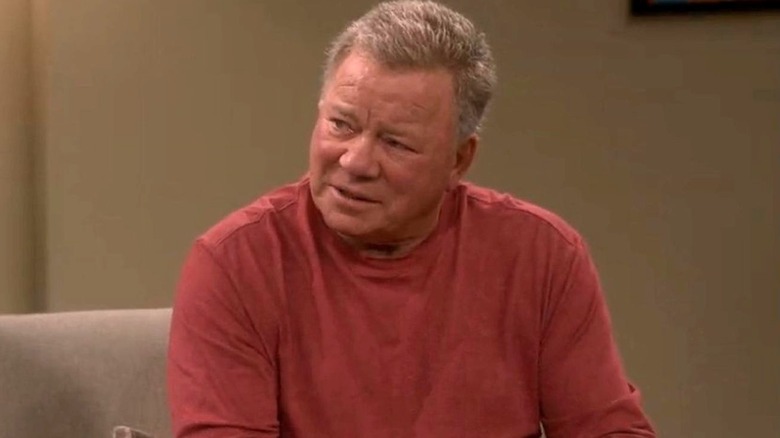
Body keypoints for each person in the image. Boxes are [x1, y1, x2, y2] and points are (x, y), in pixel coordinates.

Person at [167, 1, 656, 437]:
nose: (355, 161)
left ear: (459, 161)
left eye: (395, 143)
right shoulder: (236, 264)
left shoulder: (542, 256)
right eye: (341, 124)